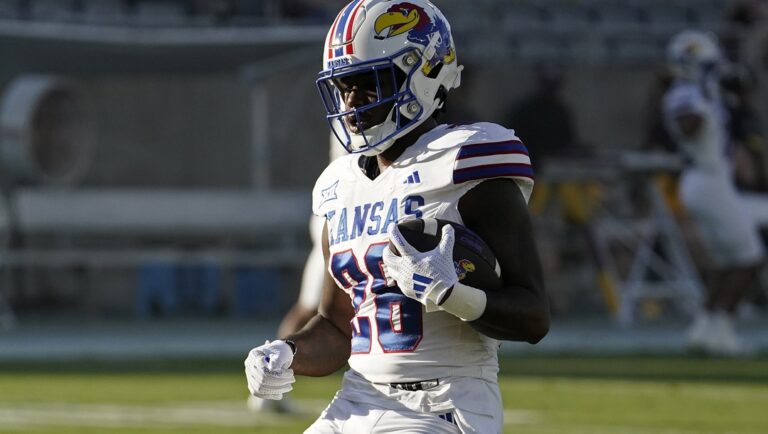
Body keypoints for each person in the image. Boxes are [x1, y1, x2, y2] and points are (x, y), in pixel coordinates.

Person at [244, 0, 550, 432]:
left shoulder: (466, 162)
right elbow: (336, 326)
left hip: (446, 402)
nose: (352, 102)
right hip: (357, 397)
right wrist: (288, 352)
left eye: (369, 84)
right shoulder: (340, 184)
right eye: (344, 86)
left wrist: (453, 294)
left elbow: (534, 317)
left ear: (423, 73)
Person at [663, 30, 764, 356]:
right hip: (706, 180)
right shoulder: (687, 93)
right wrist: (708, 94)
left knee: (725, 262)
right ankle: (723, 329)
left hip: (711, 181)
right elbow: (688, 126)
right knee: (749, 258)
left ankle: (703, 329)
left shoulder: (703, 91)